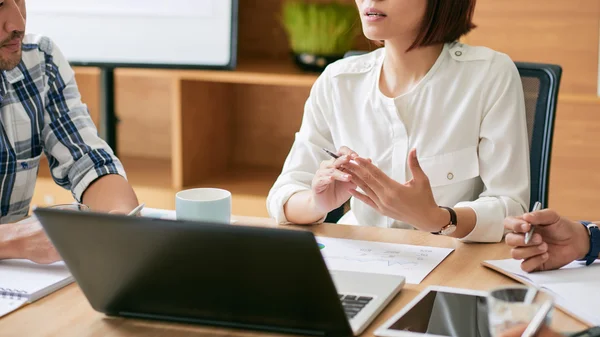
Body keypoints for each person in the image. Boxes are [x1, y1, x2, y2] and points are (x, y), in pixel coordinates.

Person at [267, 0, 530, 242]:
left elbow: (511, 209)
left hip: (450, 272)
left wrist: (437, 219)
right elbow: (284, 194)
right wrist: (317, 202)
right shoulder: (337, 81)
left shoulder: (489, 75)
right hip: (359, 261)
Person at [0, 0, 139, 264]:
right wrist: (14, 238)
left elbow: (88, 161)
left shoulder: (40, 60)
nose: (17, 23)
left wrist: (120, 218)